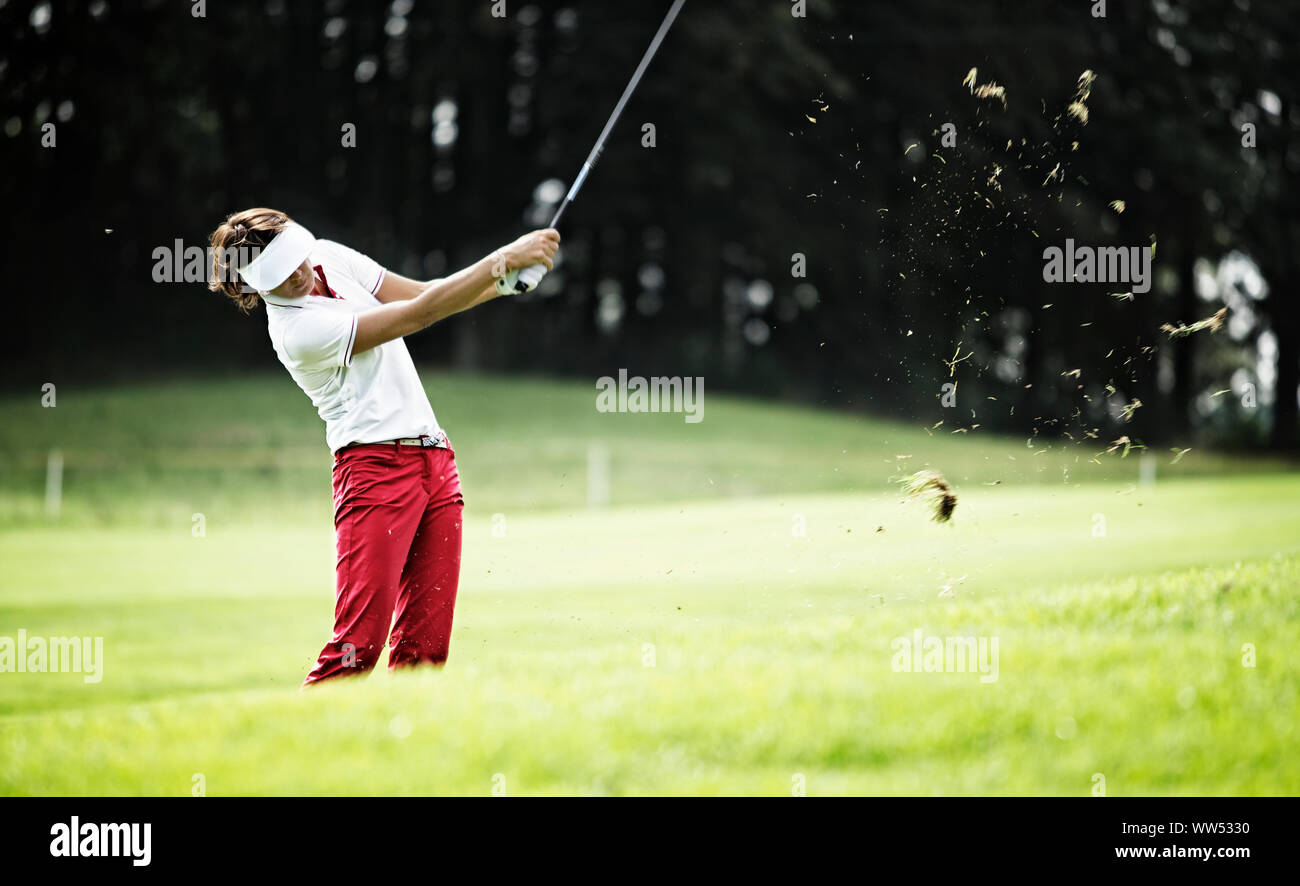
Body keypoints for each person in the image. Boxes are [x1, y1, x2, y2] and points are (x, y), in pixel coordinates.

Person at [206, 208, 559, 686]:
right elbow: (420, 314)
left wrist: (500, 284)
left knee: (426, 649)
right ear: (254, 287)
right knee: (358, 648)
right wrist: (502, 260)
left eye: (296, 259)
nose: (298, 274)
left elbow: (422, 292)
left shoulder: (327, 255)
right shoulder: (297, 333)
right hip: (373, 471)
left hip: (436, 461)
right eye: (279, 275)